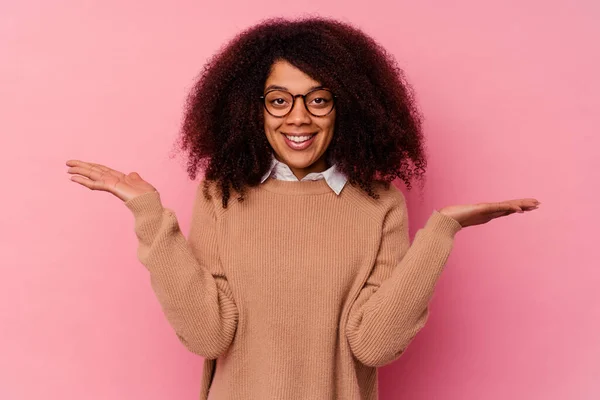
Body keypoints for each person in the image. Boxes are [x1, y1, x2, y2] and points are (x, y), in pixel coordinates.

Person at [66, 16, 540, 400]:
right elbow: (208, 336)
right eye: (278, 100)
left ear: (347, 107)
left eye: (318, 100)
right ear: (252, 109)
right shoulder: (221, 193)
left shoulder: (379, 203)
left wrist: (440, 234)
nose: (298, 116)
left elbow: (373, 345)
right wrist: (150, 215)